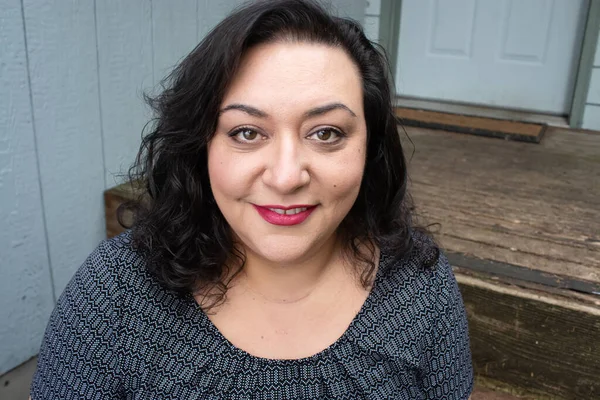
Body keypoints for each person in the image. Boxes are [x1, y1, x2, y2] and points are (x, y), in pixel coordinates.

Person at [30, 0, 473, 398]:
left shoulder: (420, 287)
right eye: (246, 132)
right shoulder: (114, 294)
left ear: (370, 148)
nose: (284, 177)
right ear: (201, 145)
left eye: (326, 133)